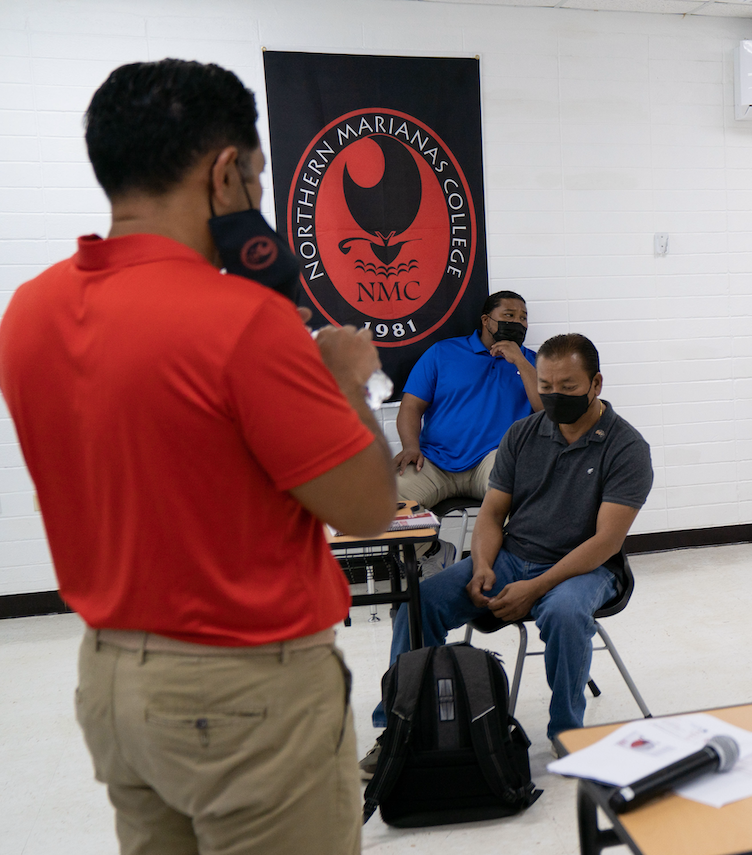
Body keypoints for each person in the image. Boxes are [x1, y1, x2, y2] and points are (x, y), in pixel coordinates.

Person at [0, 60, 394, 854]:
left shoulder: (30, 309)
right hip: (248, 691)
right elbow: (367, 508)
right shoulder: (246, 321)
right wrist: (350, 380)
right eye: (255, 175)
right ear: (225, 173)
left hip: (111, 680)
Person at [369, 333, 651, 756]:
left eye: (568, 388)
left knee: (564, 611)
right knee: (420, 601)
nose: (556, 396)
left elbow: (605, 542)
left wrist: (535, 589)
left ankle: (567, 733)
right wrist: (482, 563)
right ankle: (403, 718)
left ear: (596, 384)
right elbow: (490, 514)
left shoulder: (627, 447)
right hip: (514, 557)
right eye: (546, 388)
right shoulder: (522, 435)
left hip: (586, 568)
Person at [393, 290, 541, 510]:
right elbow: (411, 406)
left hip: (495, 460)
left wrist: (519, 360)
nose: (518, 322)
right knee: (392, 496)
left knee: (519, 493)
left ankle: (500, 547)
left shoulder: (533, 363)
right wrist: (410, 446)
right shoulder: (442, 353)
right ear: (485, 320)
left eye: (523, 318)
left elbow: (547, 411)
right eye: (509, 315)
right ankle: (430, 547)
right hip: (435, 461)